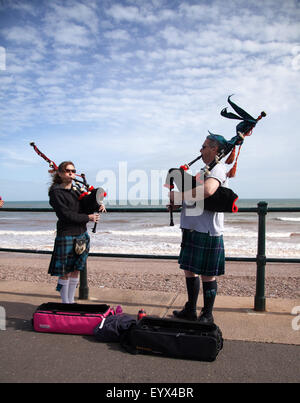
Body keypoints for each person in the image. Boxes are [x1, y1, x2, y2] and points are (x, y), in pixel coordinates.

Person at [170, 133, 229, 324]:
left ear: (214, 149)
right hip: (190, 227)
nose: (200, 150)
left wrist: (179, 197)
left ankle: (207, 314)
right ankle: (190, 309)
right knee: (189, 270)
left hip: (208, 230)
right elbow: (193, 197)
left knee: (207, 275)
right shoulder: (203, 171)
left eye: (204, 147)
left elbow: (208, 191)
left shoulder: (219, 169)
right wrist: (177, 205)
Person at [48, 161, 105, 303]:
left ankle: (71, 301)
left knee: (76, 269)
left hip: (81, 234)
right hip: (66, 234)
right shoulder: (56, 192)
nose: (71, 173)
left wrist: (98, 203)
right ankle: (65, 303)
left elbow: (86, 204)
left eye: (73, 171)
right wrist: (88, 217)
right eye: (67, 171)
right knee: (65, 272)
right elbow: (65, 215)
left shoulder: (76, 190)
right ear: (60, 173)